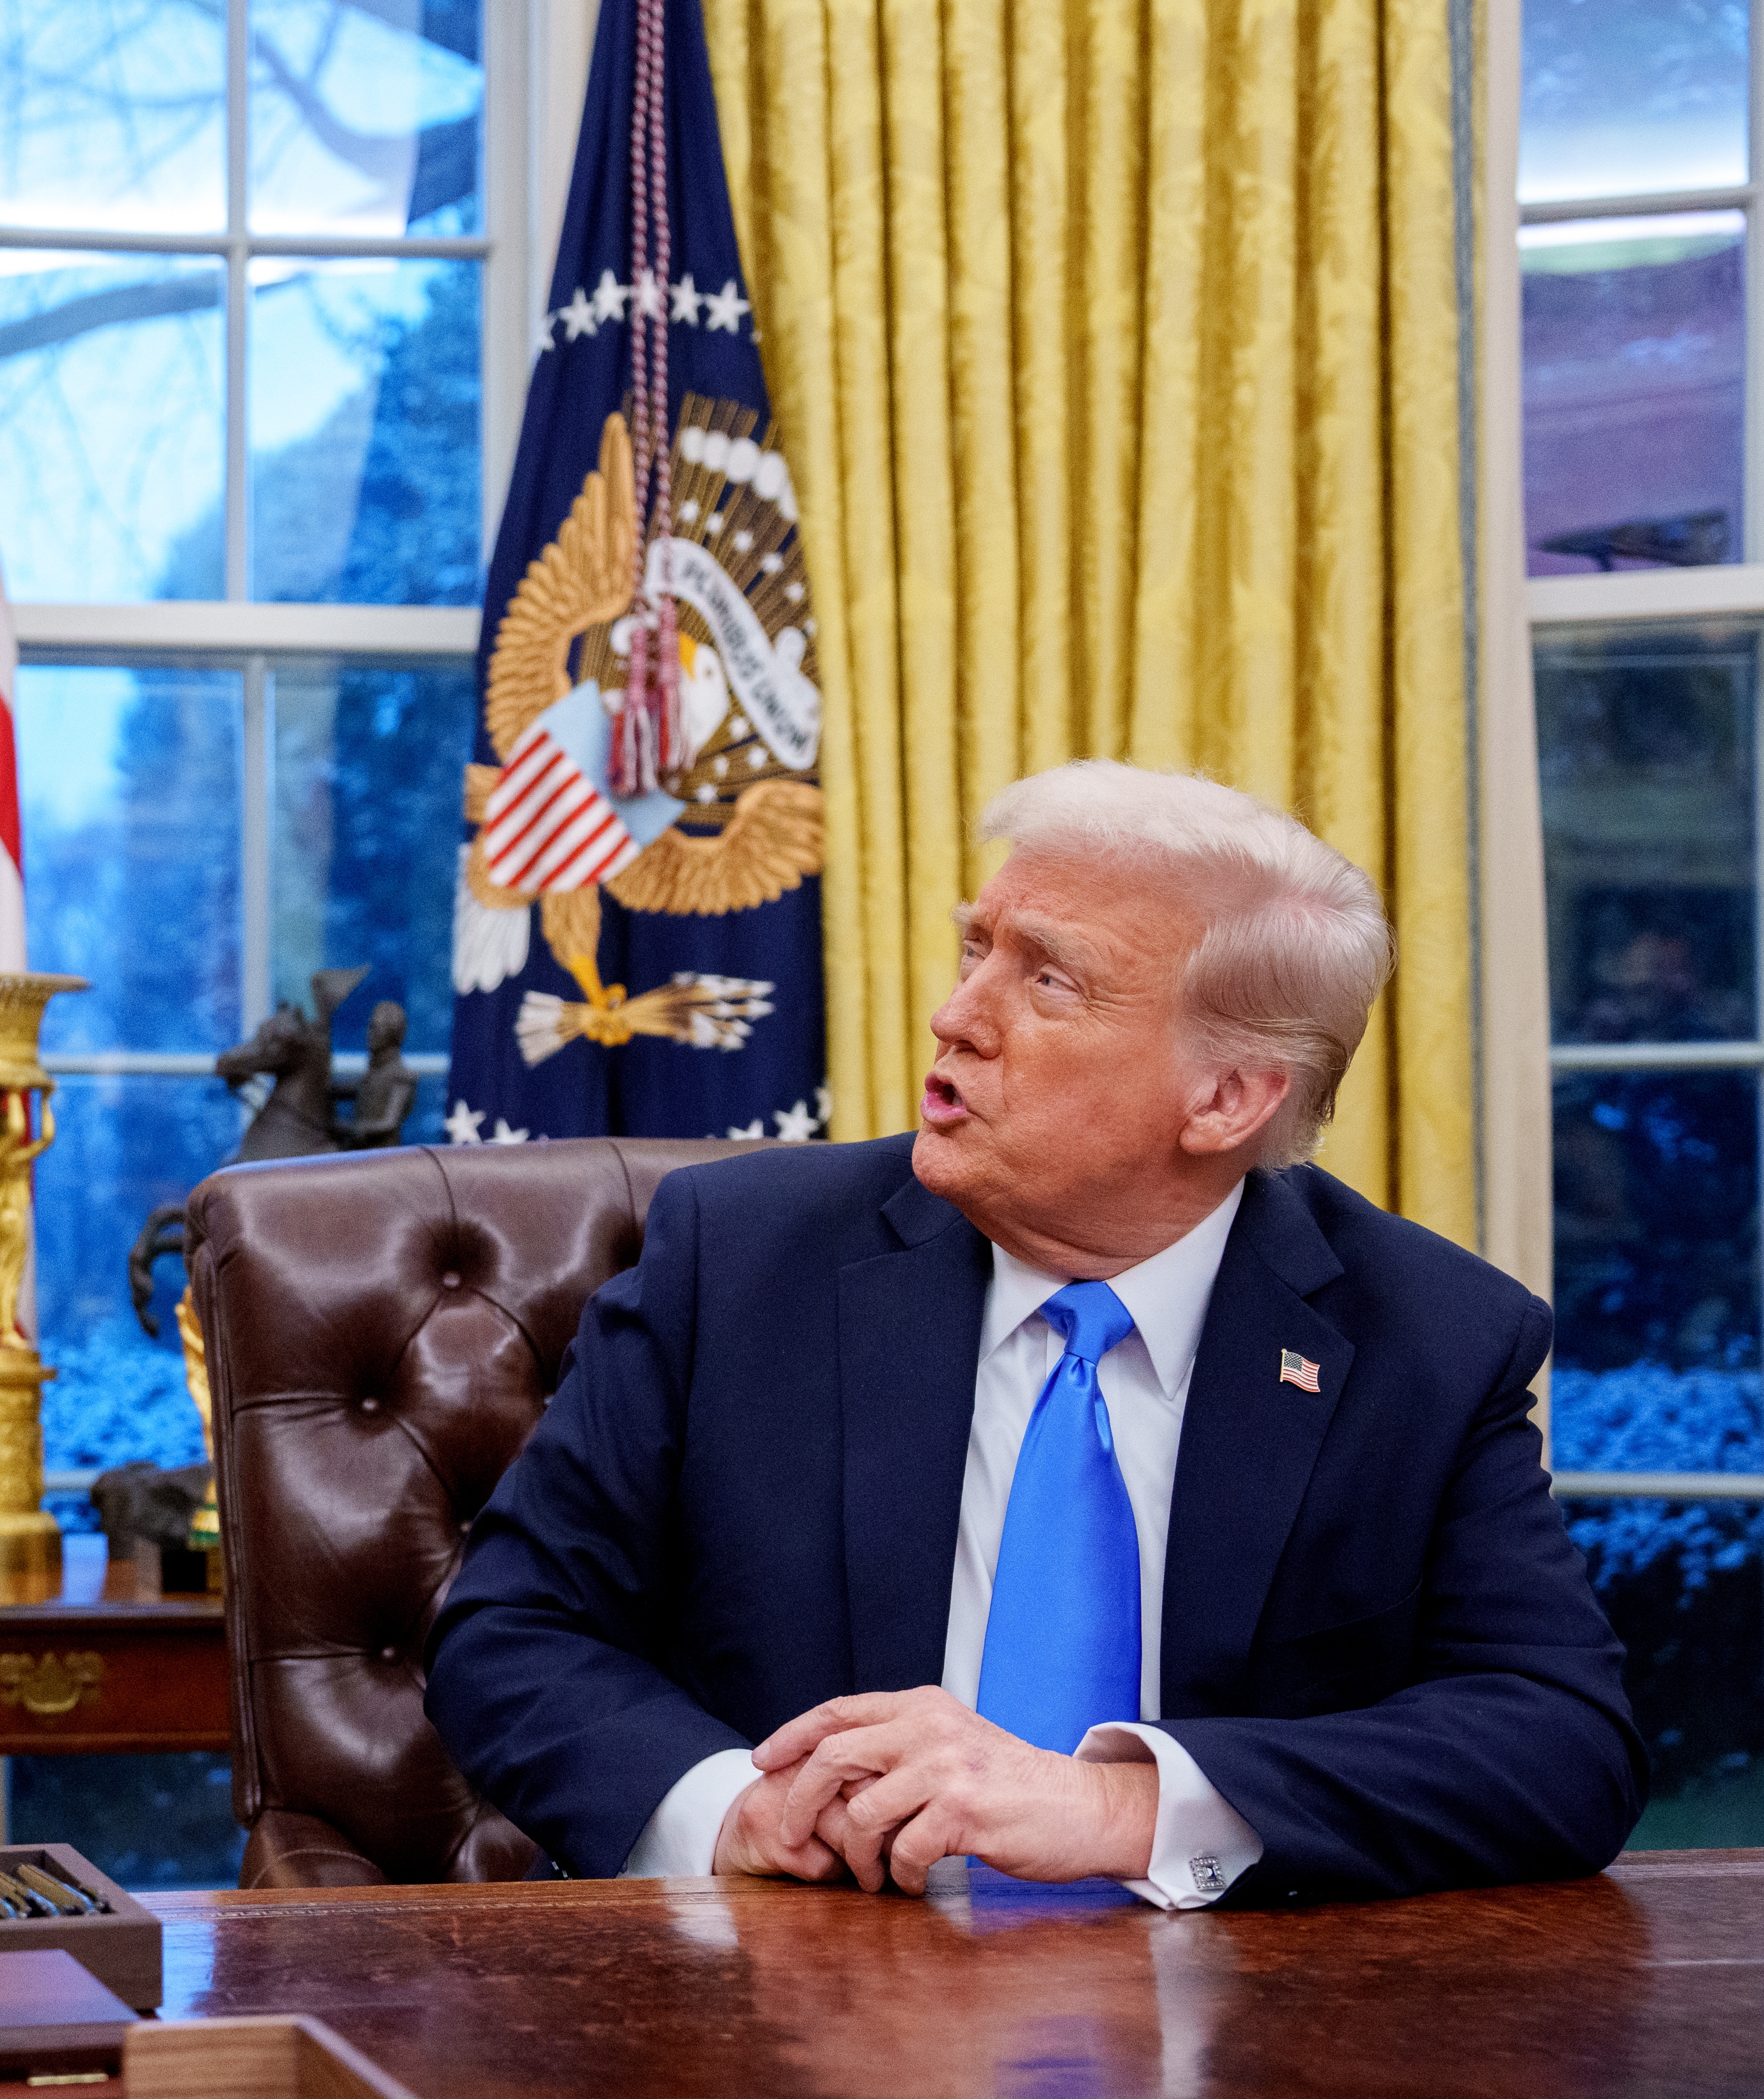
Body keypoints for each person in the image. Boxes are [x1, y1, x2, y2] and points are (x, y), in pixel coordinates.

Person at [427, 761, 1646, 1907]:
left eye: (1049, 979)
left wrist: (1115, 1803)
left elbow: (1561, 1741)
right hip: (797, 2006)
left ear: (1225, 1097)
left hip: (1237, 2058)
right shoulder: (741, 1261)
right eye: (977, 947)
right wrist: (733, 1815)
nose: (958, 1015)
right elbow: (512, 1630)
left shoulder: (1424, 1340)